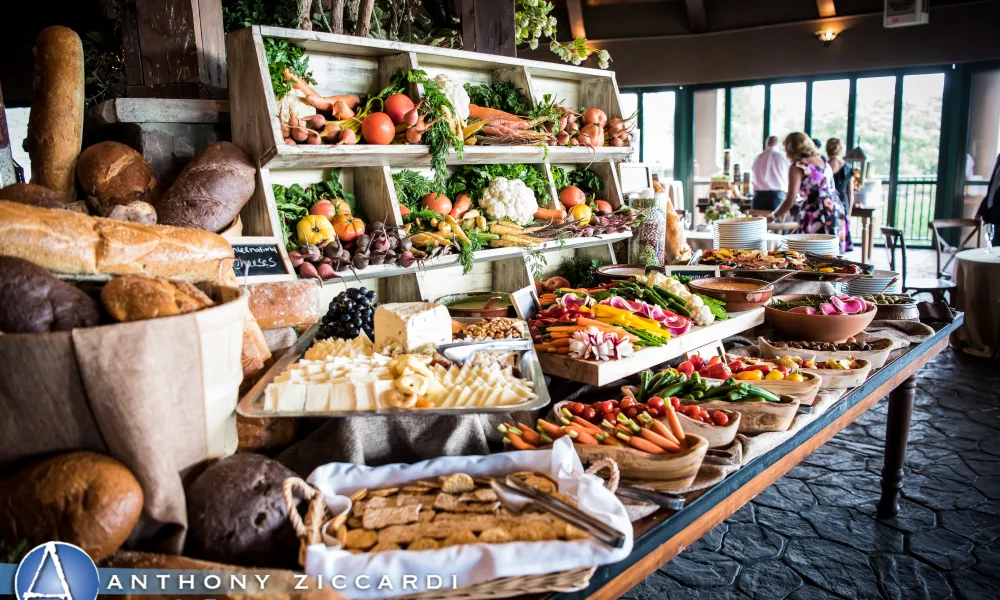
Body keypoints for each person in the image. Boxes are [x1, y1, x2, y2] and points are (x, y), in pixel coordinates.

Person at [771, 132, 848, 252]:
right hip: (834, 208)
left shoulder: (798, 166)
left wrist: (773, 216)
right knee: (829, 253)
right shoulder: (822, 160)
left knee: (808, 254)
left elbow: (790, 200)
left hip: (816, 211)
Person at [826, 138, 854, 252]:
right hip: (843, 200)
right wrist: (849, 210)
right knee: (842, 230)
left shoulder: (826, 165)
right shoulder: (847, 167)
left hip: (830, 200)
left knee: (830, 230)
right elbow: (850, 192)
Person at [750, 136, 790, 211]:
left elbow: (753, 173)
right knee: (777, 221)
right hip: (777, 195)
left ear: (766, 144)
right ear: (777, 144)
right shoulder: (782, 157)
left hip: (758, 196)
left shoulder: (758, 157)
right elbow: (789, 176)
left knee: (758, 221)